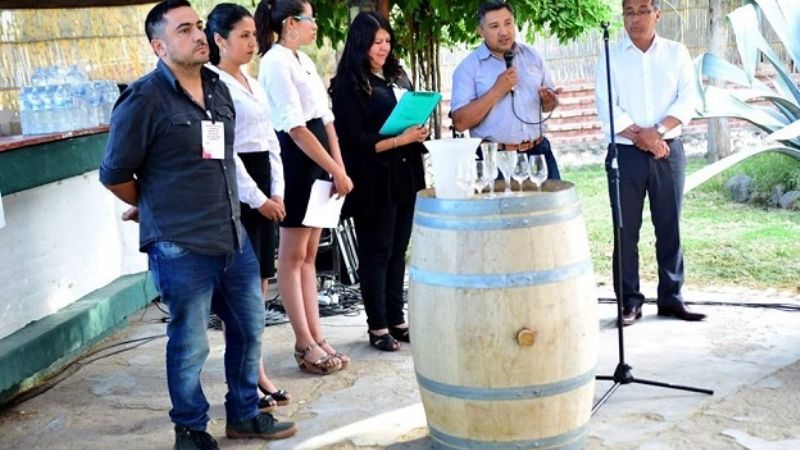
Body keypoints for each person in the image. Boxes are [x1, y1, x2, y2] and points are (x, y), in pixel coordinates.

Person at [98, 1, 297, 448]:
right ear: (159, 45)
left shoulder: (218, 87)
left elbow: (222, 158)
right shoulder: (143, 99)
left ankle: (244, 414)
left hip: (232, 237)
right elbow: (114, 175)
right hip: (181, 246)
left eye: (198, 26)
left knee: (249, 331)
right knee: (190, 346)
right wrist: (152, 206)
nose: (198, 35)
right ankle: (190, 429)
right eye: (184, 29)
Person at [254, 0, 353, 374]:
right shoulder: (275, 62)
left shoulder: (304, 61)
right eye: (310, 19)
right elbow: (295, 128)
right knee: (292, 256)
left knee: (310, 254)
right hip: (297, 162)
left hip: (322, 160)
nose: (315, 26)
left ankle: (317, 334)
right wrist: (333, 168)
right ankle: (303, 341)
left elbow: (325, 120)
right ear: (291, 22)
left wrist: (338, 167)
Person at [594, 0, 705, 326]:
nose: (636, 18)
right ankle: (629, 302)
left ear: (658, 14)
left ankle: (672, 297)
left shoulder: (676, 53)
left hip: (667, 151)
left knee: (669, 226)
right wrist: (642, 137)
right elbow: (606, 103)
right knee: (625, 230)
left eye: (643, 10)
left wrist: (656, 133)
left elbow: (688, 98)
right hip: (625, 152)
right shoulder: (610, 56)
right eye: (629, 11)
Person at [205, 3, 291, 414]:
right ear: (218, 40)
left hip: (265, 182)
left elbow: (271, 141)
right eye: (242, 36)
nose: (251, 42)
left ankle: (256, 370)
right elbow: (222, 150)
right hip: (236, 188)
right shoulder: (212, 84)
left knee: (259, 285)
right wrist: (258, 198)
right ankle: (246, 376)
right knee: (240, 295)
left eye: (253, 35)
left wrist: (278, 191)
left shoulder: (253, 83)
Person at [329, 11, 428, 351]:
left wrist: (417, 130)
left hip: (405, 172)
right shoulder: (348, 84)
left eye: (387, 41)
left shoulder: (395, 76)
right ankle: (377, 326)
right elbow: (353, 138)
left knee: (399, 249)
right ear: (361, 44)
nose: (384, 48)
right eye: (376, 43)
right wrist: (400, 139)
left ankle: (397, 319)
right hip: (373, 177)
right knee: (377, 251)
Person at [451, 0, 562, 181]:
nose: (504, 31)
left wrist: (550, 102)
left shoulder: (532, 56)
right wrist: (497, 90)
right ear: (481, 31)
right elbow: (460, 123)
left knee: (549, 209)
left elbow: (549, 105)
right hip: (495, 159)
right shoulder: (468, 68)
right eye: (494, 26)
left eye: (508, 23)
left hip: (538, 152)